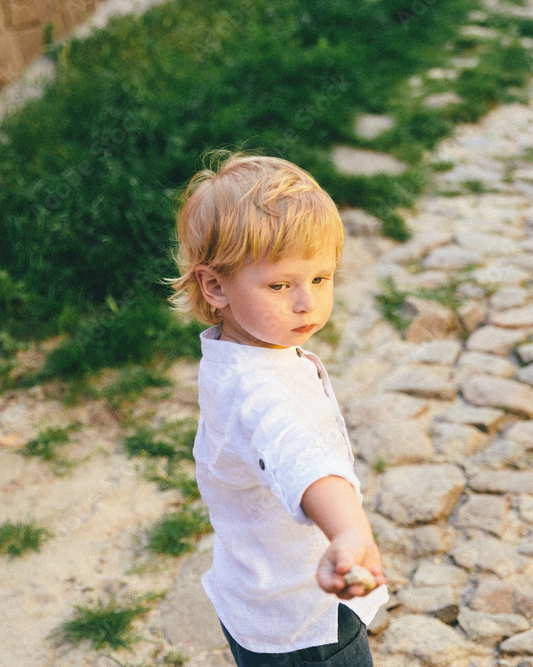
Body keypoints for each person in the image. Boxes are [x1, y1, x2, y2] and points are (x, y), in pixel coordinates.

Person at [168, 151, 388, 666]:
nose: (306, 302)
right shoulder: (259, 390)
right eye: (280, 285)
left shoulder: (235, 351)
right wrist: (350, 530)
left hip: (254, 593)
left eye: (320, 278)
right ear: (215, 286)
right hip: (305, 619)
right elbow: (299, 455)